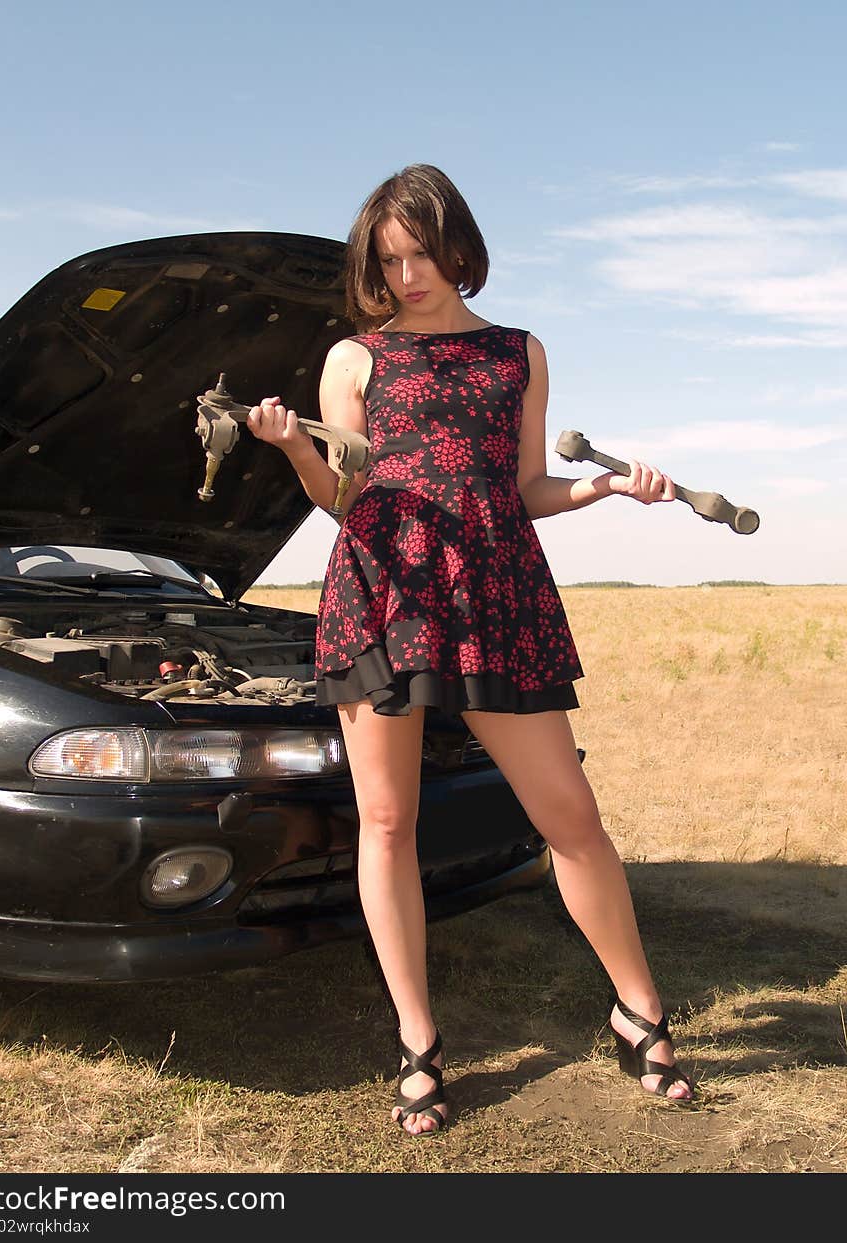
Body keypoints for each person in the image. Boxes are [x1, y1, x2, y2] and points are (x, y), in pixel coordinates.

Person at [247, 164, 694, 1135]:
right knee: (387, 821)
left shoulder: (516, 353)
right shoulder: (353, 360)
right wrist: (292, 449)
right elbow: (342, 499)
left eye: (421, 253)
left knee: (568, 812)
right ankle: (417, 1043)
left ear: (458, 246)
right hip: (383, 592)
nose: (407, 274)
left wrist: (608, 490)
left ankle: (639, 1009)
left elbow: (525, 486)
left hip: (495, 590)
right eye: (389, 259)